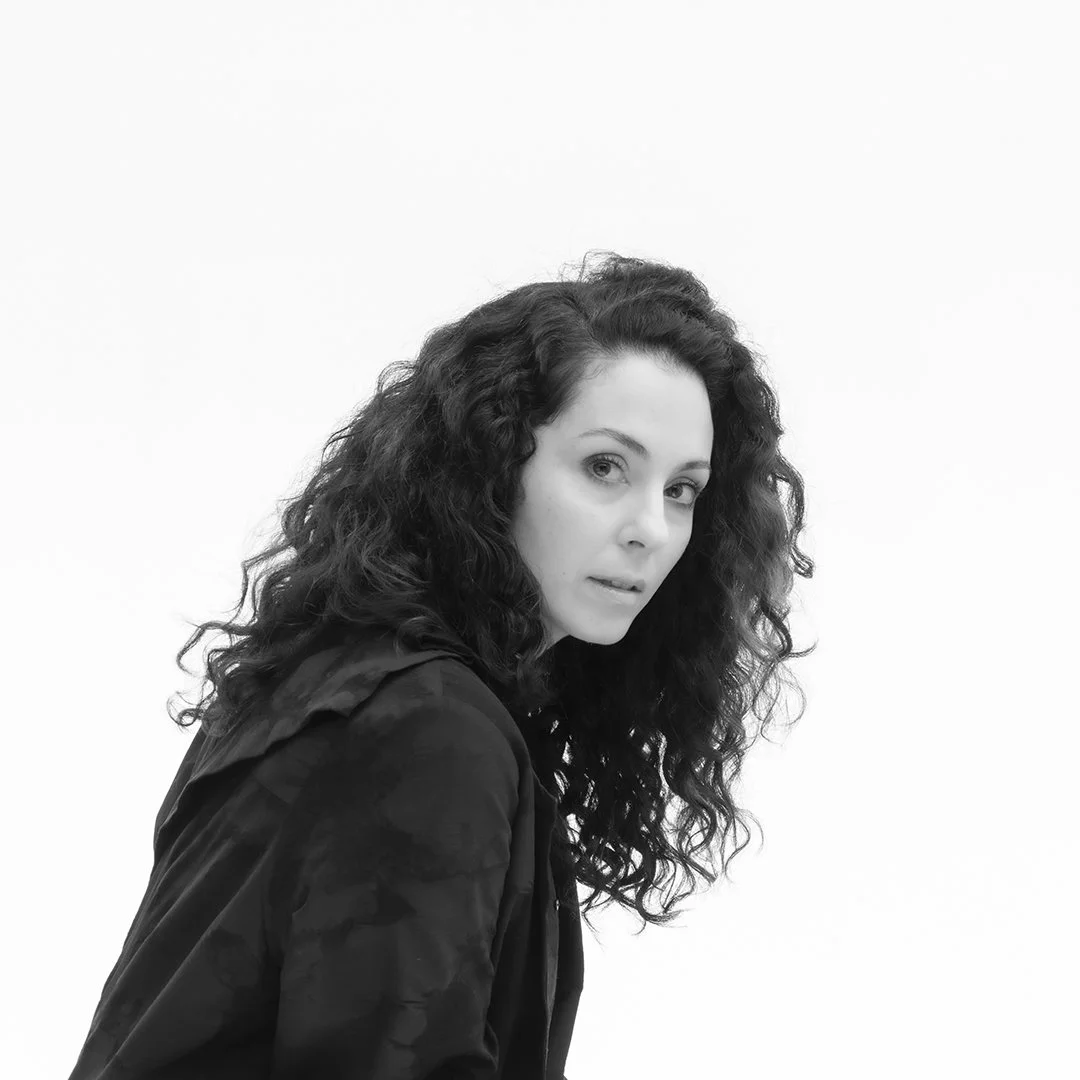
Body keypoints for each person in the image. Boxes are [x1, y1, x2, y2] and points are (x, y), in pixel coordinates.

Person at [68, 251, 814, 1079]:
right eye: (605, 467)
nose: (651, 528)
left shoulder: (353, 677)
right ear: (492, 464)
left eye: (682, 490)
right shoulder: (428, 727)